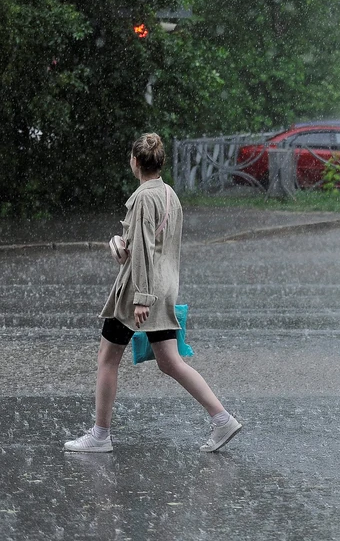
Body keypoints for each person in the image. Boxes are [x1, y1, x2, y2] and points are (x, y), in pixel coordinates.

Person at [65, 133, 242, 453]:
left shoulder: (142, 198)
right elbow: (160, 246)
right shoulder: (170, 194)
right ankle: (222, 419)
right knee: (170, 361)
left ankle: (100, 436)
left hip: (139, 292)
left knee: (107, 359)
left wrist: (142, 297)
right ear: (159, 163)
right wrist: (124, 248)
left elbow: (145, 250)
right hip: (165, 287)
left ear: (135, 162)